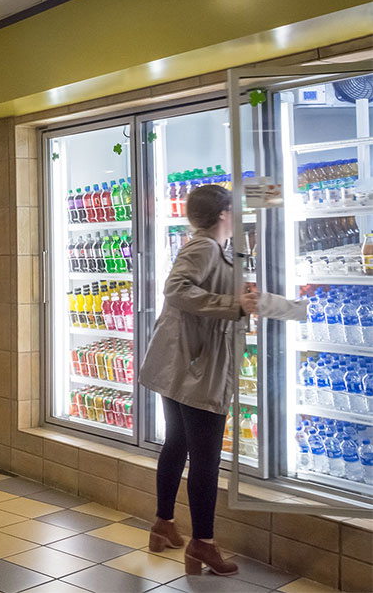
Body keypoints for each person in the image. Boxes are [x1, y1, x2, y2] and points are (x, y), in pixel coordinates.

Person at [139, 185, 259, 576]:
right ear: (225, 213)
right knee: (205, 457)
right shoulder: (206, 246)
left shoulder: (210, 247)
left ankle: (163, 524)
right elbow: (176, 289)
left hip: (182, 364)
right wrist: (232, 304)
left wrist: (238, 296)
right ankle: (203, 545)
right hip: (197, 368)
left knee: (177, 443)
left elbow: (198, 291)